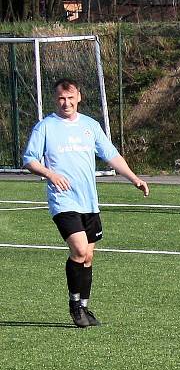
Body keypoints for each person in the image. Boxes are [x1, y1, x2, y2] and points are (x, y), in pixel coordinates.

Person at [23, 78, 149, 328]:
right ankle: (74, 306)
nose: (66, 103)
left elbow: (111, 155)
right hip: (63, 201)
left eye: (70, 98)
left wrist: (134, 179)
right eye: (61, 98)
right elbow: (29, 160)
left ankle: (85, 307)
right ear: (55, 99)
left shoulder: (90, 126)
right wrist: (51, 174)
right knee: (79, 250)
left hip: (89, 202)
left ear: (79, 97)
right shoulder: (45, 127)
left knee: (88, 257)